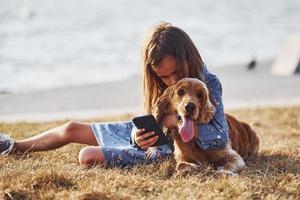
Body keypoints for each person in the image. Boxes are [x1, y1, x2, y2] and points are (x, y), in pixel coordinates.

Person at [0, 22, 228, 168]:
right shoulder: (167, 87)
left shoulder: (208, 84)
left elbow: (220, 137)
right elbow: (147, 123)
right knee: (70, 128)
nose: (171, 81)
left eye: (175, 72)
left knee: (87, 155)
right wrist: (136, 138)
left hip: (170, 153)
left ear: (188, 56)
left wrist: (175, 122)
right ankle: (14, 147)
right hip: (150, 143)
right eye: (163, 77)